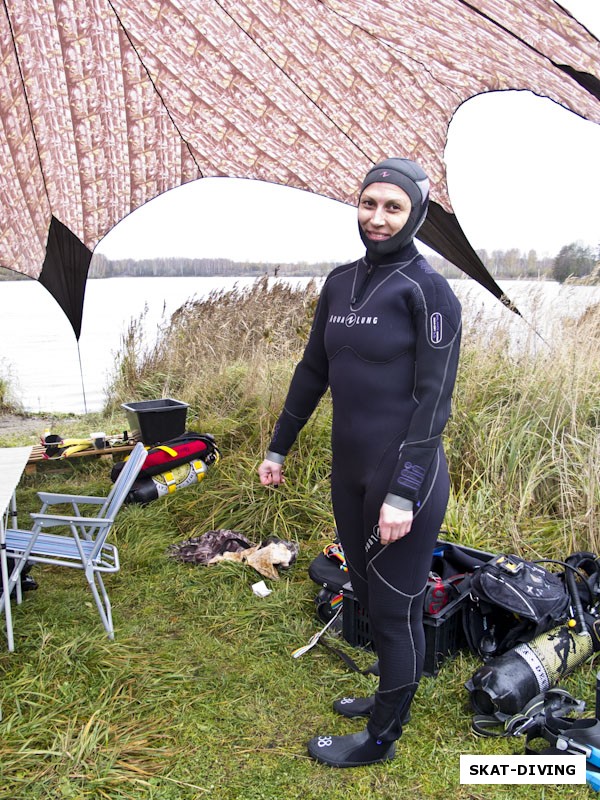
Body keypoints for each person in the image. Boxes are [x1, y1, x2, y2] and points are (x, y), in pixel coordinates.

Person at [258, 158, 462, 768]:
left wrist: (404, 491)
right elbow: (312, 371)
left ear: (417, 214)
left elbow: (435, 401)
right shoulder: (340, 283)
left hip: (405, 477)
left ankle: (380, 739)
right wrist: (278, 446)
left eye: (393, 207)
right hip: (349, 473)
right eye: (368, 203)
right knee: (368, 597)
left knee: (397, 610)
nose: (377, 217)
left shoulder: (428, 291)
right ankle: (387, 695)